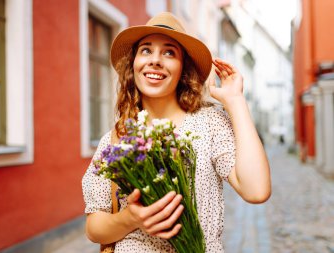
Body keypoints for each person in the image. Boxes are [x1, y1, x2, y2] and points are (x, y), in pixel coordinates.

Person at [82, 12, 271, 253]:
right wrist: (130, 218)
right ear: (134, 64)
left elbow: (257, 190)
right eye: (146, 50)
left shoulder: (209, 123)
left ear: (183, 68)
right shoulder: (117, 139)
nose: (155, 60)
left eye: (169, 52)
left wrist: (235, 101)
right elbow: (93, 228)